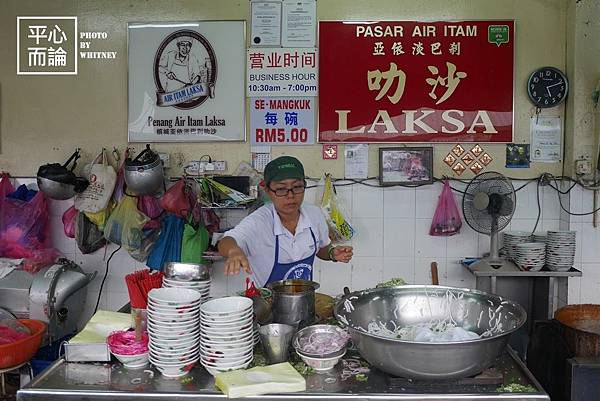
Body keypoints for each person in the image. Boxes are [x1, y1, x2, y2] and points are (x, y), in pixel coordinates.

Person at [218, 156, 353, 286]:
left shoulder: (314, 215)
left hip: (303, 300)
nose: (290, 195)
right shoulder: (259, 221)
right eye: (281, 189)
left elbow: (321, 248)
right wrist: (233, 251)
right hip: (266, 304)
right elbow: (226, 240)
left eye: (297, 187)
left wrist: (332, 254)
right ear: (268, 191)